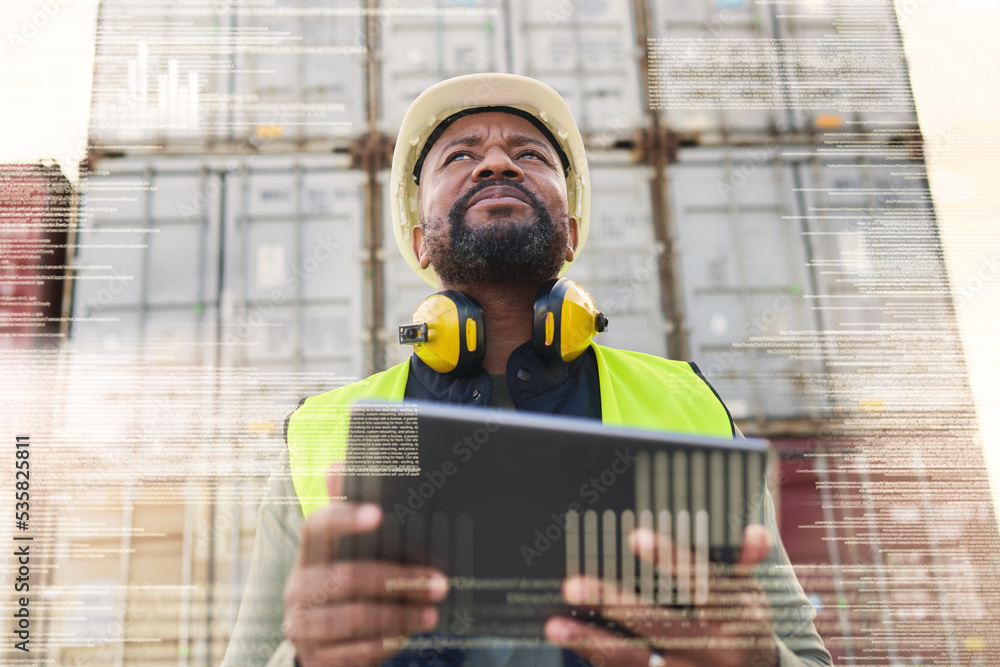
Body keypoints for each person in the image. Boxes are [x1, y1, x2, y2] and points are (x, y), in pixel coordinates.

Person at [220, 73, 833, 667]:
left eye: (530, 154)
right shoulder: (332, 431)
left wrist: (756, 659)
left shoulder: (684, 403)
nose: (497, 164)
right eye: (460, 156)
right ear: (420, 244)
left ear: (570, 233)